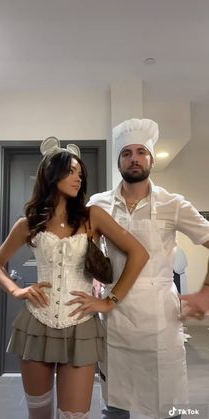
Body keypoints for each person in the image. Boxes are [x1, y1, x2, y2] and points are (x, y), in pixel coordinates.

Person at [0, 137, 148, 419]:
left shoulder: (92, 216)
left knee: (74, 415)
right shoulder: (28, 223)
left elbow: (139, 253)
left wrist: (110, 300)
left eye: (80, 173)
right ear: (51, 173)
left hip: (80, 325)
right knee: (39, 413)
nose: (78, 177)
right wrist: (16, 291)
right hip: (37, 323)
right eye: (71, 171)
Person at [87, 118, 209, 419]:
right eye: (127, 153)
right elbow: (84, 248)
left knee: (169, 405)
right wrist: (93, 279)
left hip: (161, 320)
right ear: (118, 162)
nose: (135, 159)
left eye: (141, 151)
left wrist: (205, 293)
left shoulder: (173, 204)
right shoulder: (98, 204)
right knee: (116, 405)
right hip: (114, 315)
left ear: (151, 158)